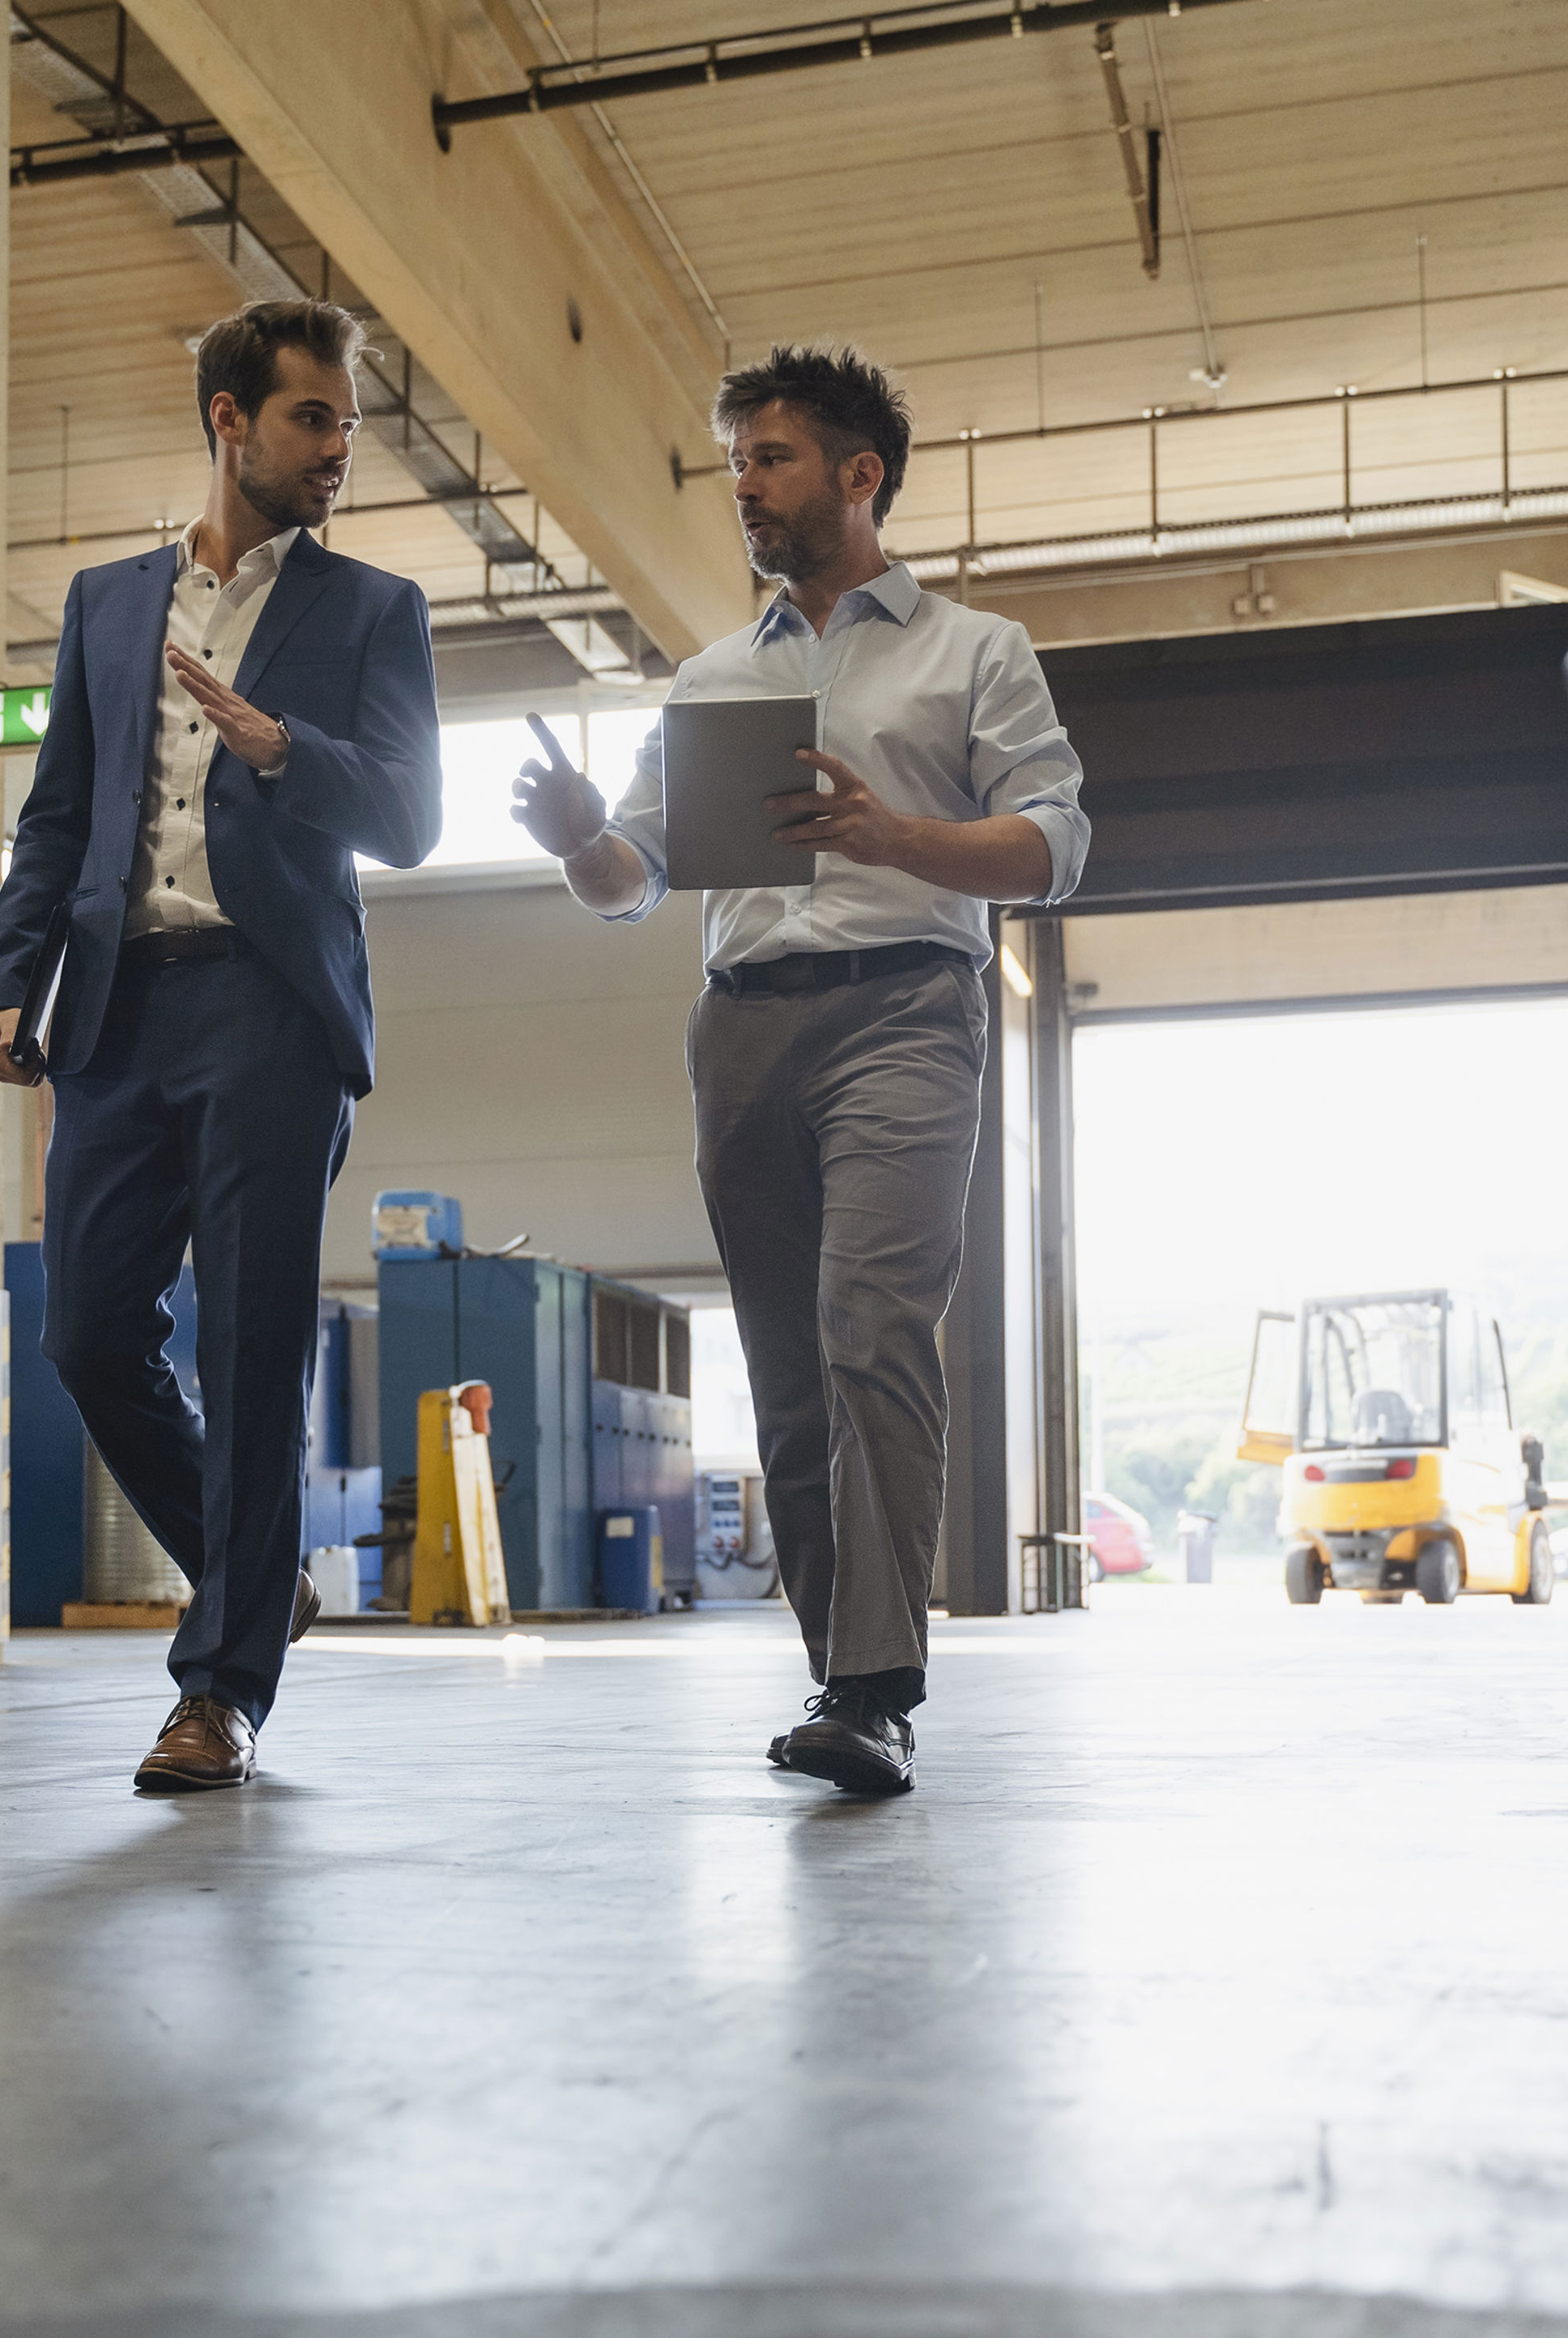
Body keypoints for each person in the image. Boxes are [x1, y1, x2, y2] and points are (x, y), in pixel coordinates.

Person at [513, 344, 1087, 1795]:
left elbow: (1056, 845)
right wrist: (582, 832)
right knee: (783, 1376)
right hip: (744, 1027)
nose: (746, 492)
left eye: (769, 462)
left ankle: (881, 1686)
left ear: (859, 473)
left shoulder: (975, 651)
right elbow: (632, 881)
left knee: (869, 1330)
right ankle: (843, 1679)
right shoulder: (713, 677)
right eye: (736, 469)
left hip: (907, 1008)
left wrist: (900, 839)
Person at [0, 300, 443, 1793]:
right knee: (88, 1331)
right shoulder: (110, 605)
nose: (337, 455)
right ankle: (259, 1579)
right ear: (230, 419)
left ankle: (221, 1685)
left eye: (349, 430)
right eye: (312, 421)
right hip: (116, 1005)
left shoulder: (374, 610)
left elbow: (415, 820)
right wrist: (12, 978)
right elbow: (59, 809)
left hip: (268, 1003)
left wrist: (282, 751)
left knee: (250, 1350)